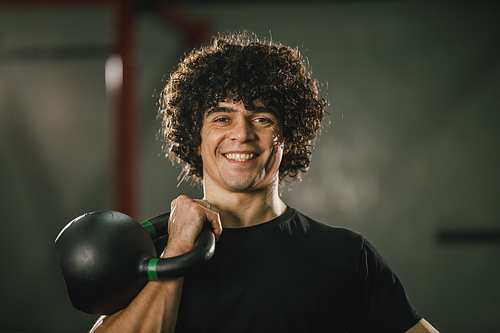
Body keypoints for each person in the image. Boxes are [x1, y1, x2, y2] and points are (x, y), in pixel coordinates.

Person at [91, 31, 439, 333]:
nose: (241, 133)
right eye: (222, 117)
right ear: (195, 139)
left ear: (288, 137)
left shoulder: (345, 256)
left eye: (261, 117)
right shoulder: (149, 253)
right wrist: (179, 247)